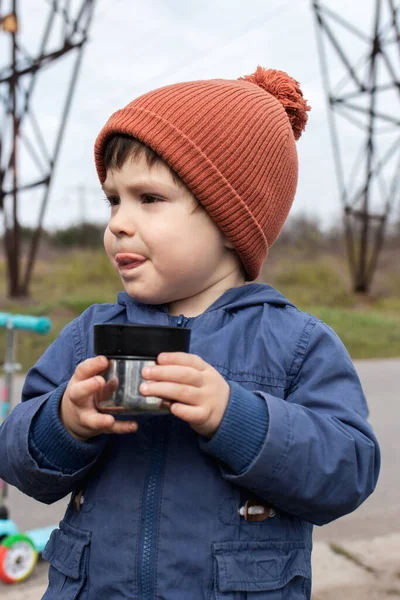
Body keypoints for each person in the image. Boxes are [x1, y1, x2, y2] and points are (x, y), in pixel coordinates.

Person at [0, 66, 380, 600]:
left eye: (148, 199)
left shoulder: (295, 343)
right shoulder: (92, 334)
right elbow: (20, 463)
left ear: (230, 219)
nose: (118, 224)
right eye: (114, 199)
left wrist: (238, 417)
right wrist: (65, 420)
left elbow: (348, 472)